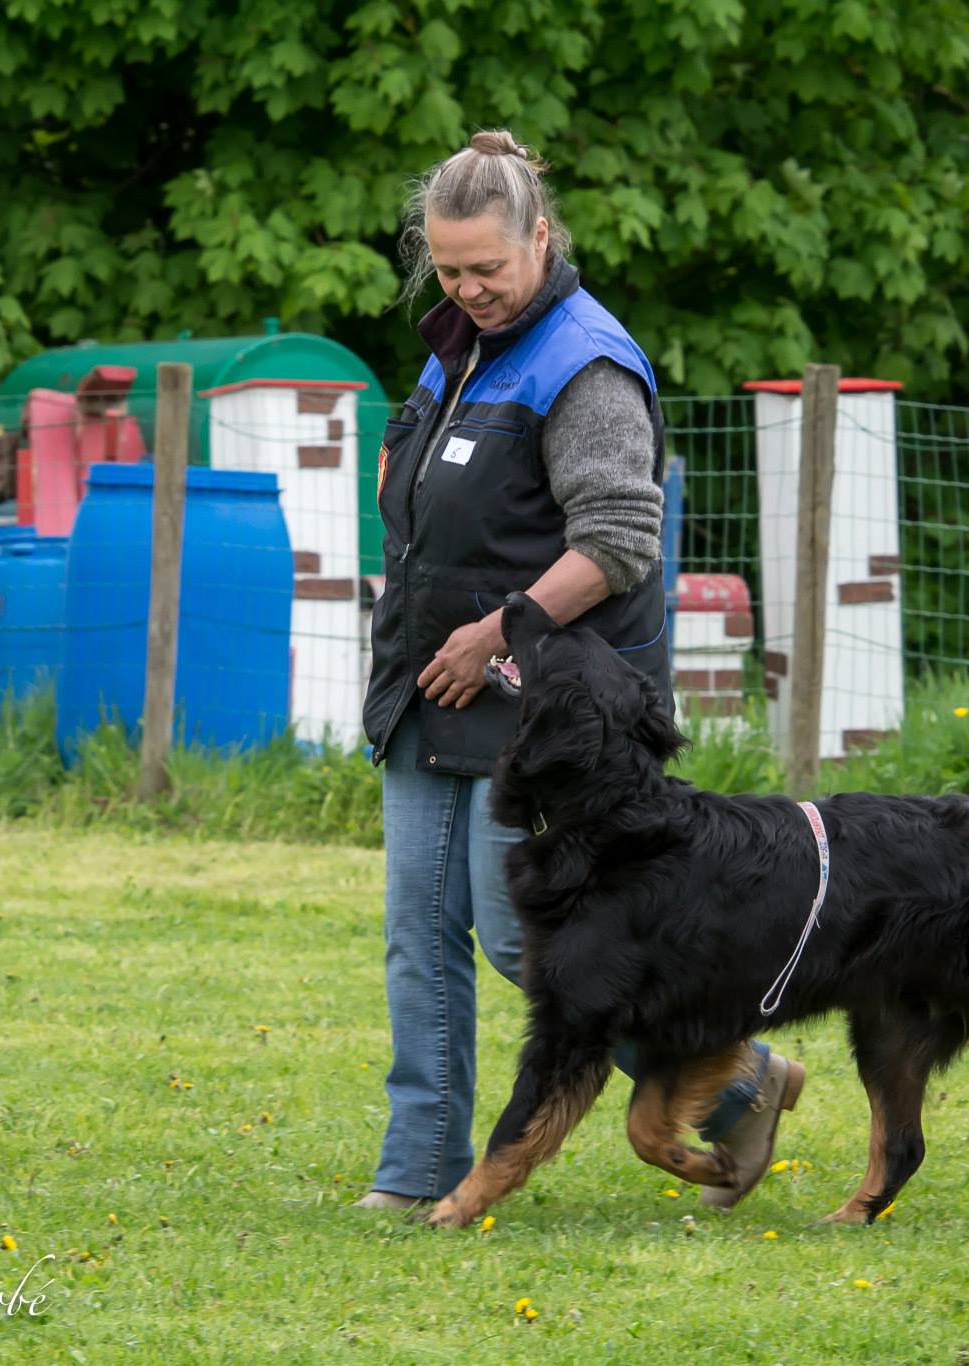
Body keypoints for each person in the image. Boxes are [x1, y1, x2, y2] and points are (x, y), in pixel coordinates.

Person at [354, 129, 801, 1212]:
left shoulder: (585, 362)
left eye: (487, 270)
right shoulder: (454, 346)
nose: (469, 289)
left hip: (547, 707)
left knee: (528, 940)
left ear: (539, 239)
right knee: (418, 934)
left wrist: (495, 631)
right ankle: (417, 1169)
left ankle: (734, 1074)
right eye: (447, 269)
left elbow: (616, 540)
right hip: (427, 684)